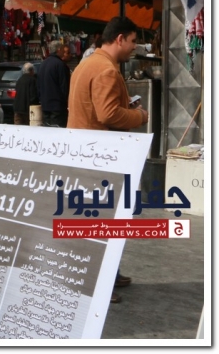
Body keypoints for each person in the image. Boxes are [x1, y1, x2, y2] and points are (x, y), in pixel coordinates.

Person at [67, 16, 149, 304]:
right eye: (133, 41)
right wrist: (138, 116)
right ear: (120, 39)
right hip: (99, 158)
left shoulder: (87, 64)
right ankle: (97, 285)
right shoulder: (106, 70)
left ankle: (108, 274)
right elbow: (108, 114)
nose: (134, 47)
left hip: (84, 154)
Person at [36, 40, 71, 128]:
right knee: (57, 131)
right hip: (58, 107)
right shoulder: (60, 65)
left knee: (47, 131)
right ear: (59, 49)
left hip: (45, 105)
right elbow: (64, 86)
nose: (63, 52)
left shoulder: (43, 64)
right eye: (62, 49)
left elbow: (38, 85)